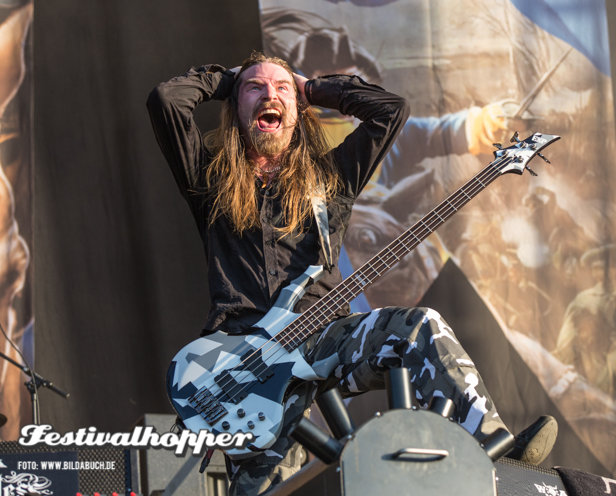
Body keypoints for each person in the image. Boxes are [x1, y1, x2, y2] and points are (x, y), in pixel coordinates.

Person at [147, 51, 556, 495]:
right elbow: (167, 100)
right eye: (256, 89)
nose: (270, 94)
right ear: (236, 106)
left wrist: (311, 88)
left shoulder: (331, 177)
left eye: (281, 88)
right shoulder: (210, 181)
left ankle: (497, 450)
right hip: (243, 365)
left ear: (298, 111)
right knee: (262, 489)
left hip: (327, 339)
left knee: (421, 327)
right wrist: (228, 79)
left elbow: (390, 111)